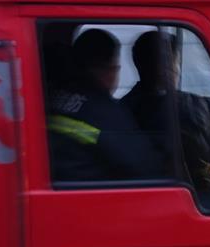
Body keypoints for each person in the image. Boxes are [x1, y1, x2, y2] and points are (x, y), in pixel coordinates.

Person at [123, 30, 210, 208]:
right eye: (177, 63)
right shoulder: (189, 107)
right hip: (189, 197)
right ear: (169, 68)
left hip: (144, 198)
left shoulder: (123, 107)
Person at [46, 28, 166, 182]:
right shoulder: (104, 113)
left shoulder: (53, 97)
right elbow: (147, 168)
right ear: (111, 70)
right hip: (88, 197)